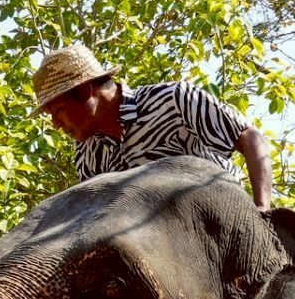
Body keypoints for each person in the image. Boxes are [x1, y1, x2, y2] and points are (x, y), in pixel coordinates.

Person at [32, 43, 274, 208]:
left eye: (58, 110)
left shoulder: (174, 99)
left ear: (86, 91)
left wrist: (262, 210)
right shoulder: (87, 154)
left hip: (225, 216)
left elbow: (249, 137)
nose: (55, 124)